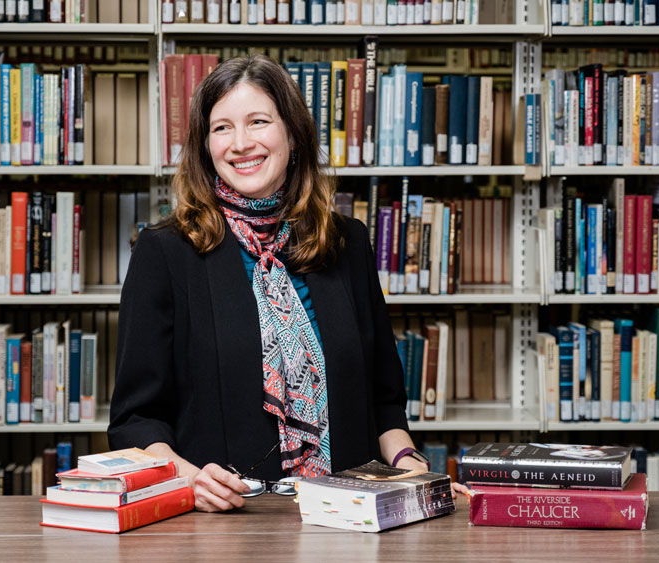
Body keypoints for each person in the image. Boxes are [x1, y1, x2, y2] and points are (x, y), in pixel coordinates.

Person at [108, 54, 466, 513]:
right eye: (221, 128)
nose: (240, 143)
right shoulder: (166, 252)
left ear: (293, 134)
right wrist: (189, 479)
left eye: (258, 122)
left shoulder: (345, 242)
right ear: (204, 145)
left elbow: (384, 398)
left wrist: (410, 464)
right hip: (226, 526)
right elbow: (135, 420)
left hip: (350, 517)